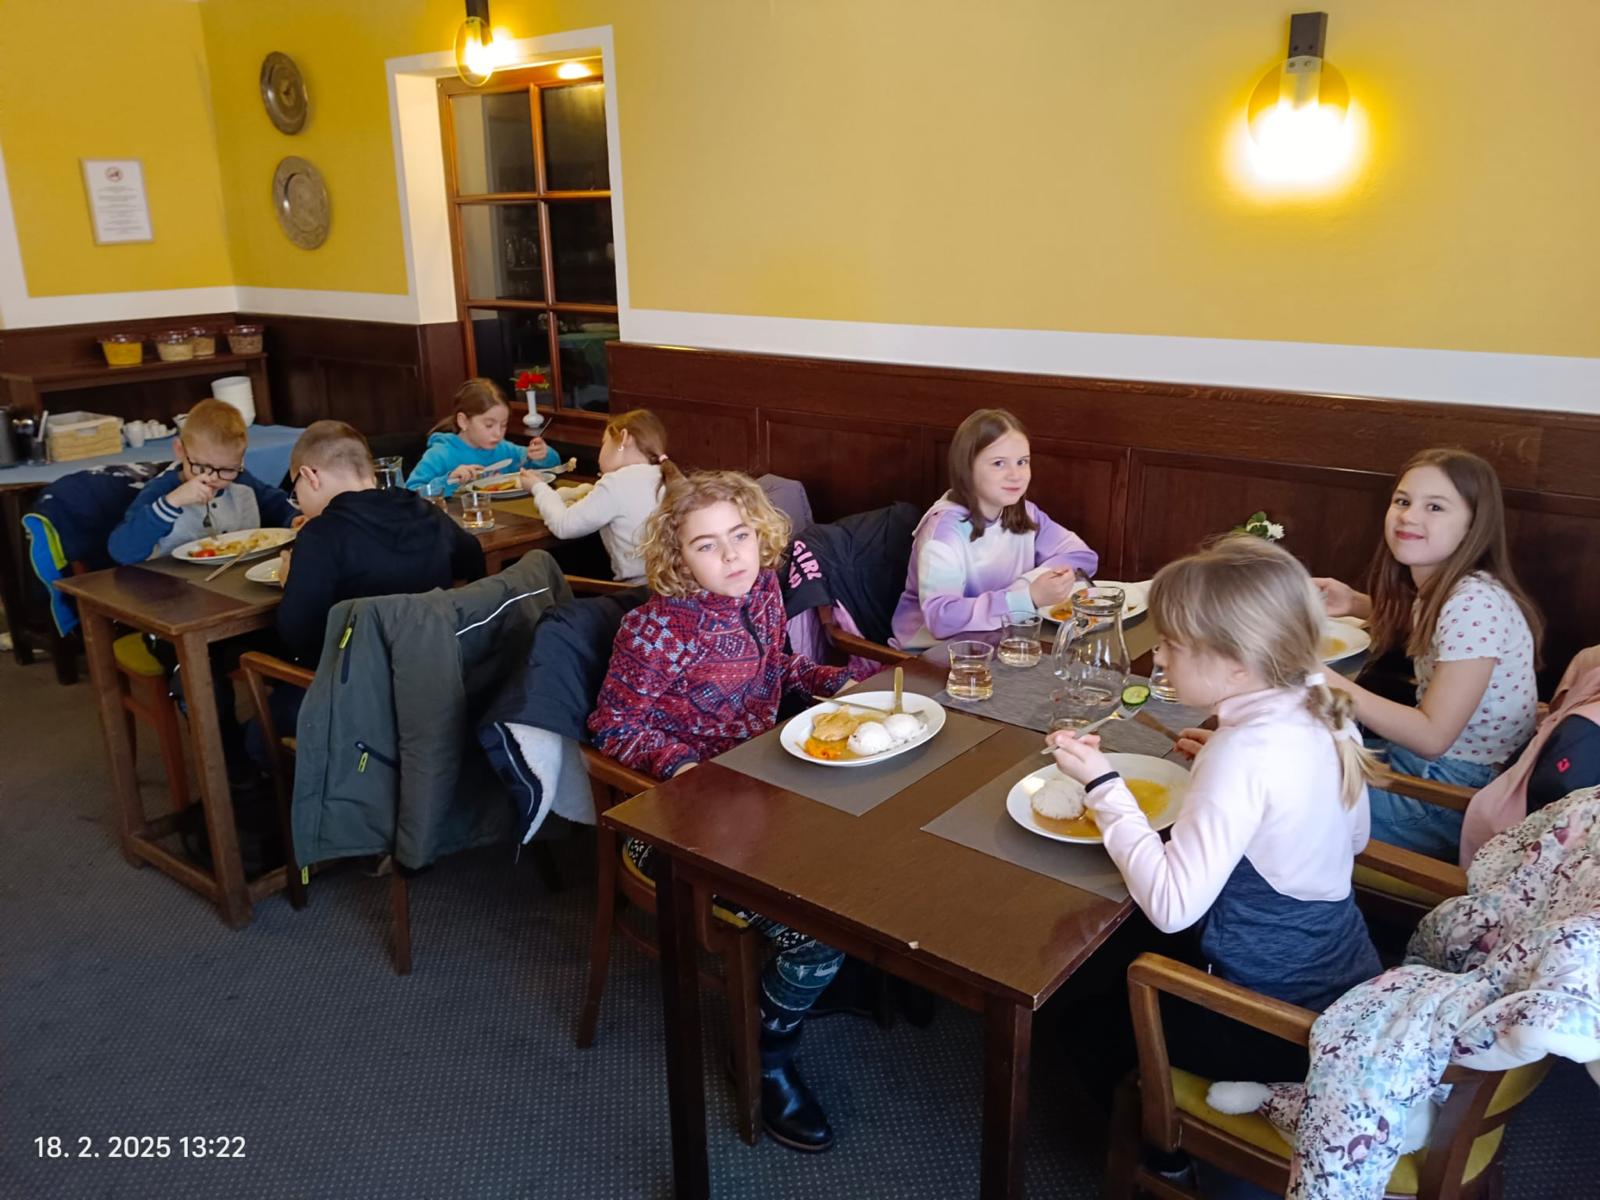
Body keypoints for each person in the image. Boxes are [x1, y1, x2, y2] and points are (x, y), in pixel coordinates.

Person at [1048, 535, 1382, 1086]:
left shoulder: (1242, 753)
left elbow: (1172, 906)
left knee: (1074, 1018)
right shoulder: (1321, 706)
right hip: (1342, 976)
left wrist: (1102, 785)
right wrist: (1236, 782)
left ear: (1236, 666)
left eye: (1171, 644)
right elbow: (1354, 840)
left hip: (1271, 1023)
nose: (1158, 657)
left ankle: (1156, 1130)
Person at [587, 470, 852, 1153]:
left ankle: (824, 983)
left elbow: (779, 669)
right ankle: (765, 1056)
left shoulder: (761, 589)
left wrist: (841, 682)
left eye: (740, 535)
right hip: (671, 828)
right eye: (707, 545)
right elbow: (613, 726)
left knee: (868, 859)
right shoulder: (653, 630)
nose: (732, 554)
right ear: (678, 558)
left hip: (763, 795)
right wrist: (685, 771)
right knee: (818, 931)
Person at [1315, 448, 1542, 860]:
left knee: (1273, 793)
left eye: (1435, 507)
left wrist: (1321, 678)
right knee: (1290, 752)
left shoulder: (1473, 602)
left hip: (1448, 797)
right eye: (1403, 501)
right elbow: (1443, 636)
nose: (1409, 516)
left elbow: (1433, 737)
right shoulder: (1451, 587)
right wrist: (1356, 603)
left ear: (1474, 525)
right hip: (1440, 772)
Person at [276, 421, 486, 665]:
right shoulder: (422, 509)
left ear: (309, 476)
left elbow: (298, 636)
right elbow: (473, 560)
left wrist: (291, 580)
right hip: (440, 662)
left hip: (364, 678)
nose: (299, 502)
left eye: (296, 492)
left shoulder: (320, 533)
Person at [890, 407, 1097, 649]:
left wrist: (1033, 584)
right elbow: (941, 619)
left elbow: (1083, 557)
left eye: (1022, 462)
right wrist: (1027, 597)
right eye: (999, 463)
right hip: (931, 653)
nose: (1015, 475)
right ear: (967, 468)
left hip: (1001, 640)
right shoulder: (944, 533)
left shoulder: (1024, 512)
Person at [108, 398, 297, 564]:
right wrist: (172, 502)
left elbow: (278, 506)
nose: (213, 478)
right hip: (172, 586)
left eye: (227, 469)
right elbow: (122, 552)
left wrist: (295, 519)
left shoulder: (241, 481)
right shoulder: (161, 491)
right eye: (202, 467)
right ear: (180, 451)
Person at [517, 408, 678, 582]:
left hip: (640, 593)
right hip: (677, 590)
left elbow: (563, 525)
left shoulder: (617, 482)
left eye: (604, 442)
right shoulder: (669, 476)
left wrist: (538, 487)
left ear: (624, 438)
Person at [403, 377, 560, 495]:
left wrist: (543, 455)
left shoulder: (504, 449)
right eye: (489, 425)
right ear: (463, 421)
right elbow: (410, 493)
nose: (498, 433)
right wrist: (449, 480)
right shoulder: (441, 454)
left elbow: (552, 467)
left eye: (503, 425)